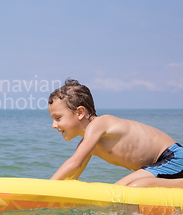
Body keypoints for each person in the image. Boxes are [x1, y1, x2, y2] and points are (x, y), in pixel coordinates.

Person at [48, 79, 183, 187]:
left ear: (80, 113)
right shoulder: (88, 143)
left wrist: (46, 189)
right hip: (159, 166)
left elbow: (74, 163)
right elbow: (71, 178)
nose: (54, 125)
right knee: (124, 188)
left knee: (125, 188)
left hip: (174, 158)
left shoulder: (100, 123)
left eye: (58, 118)